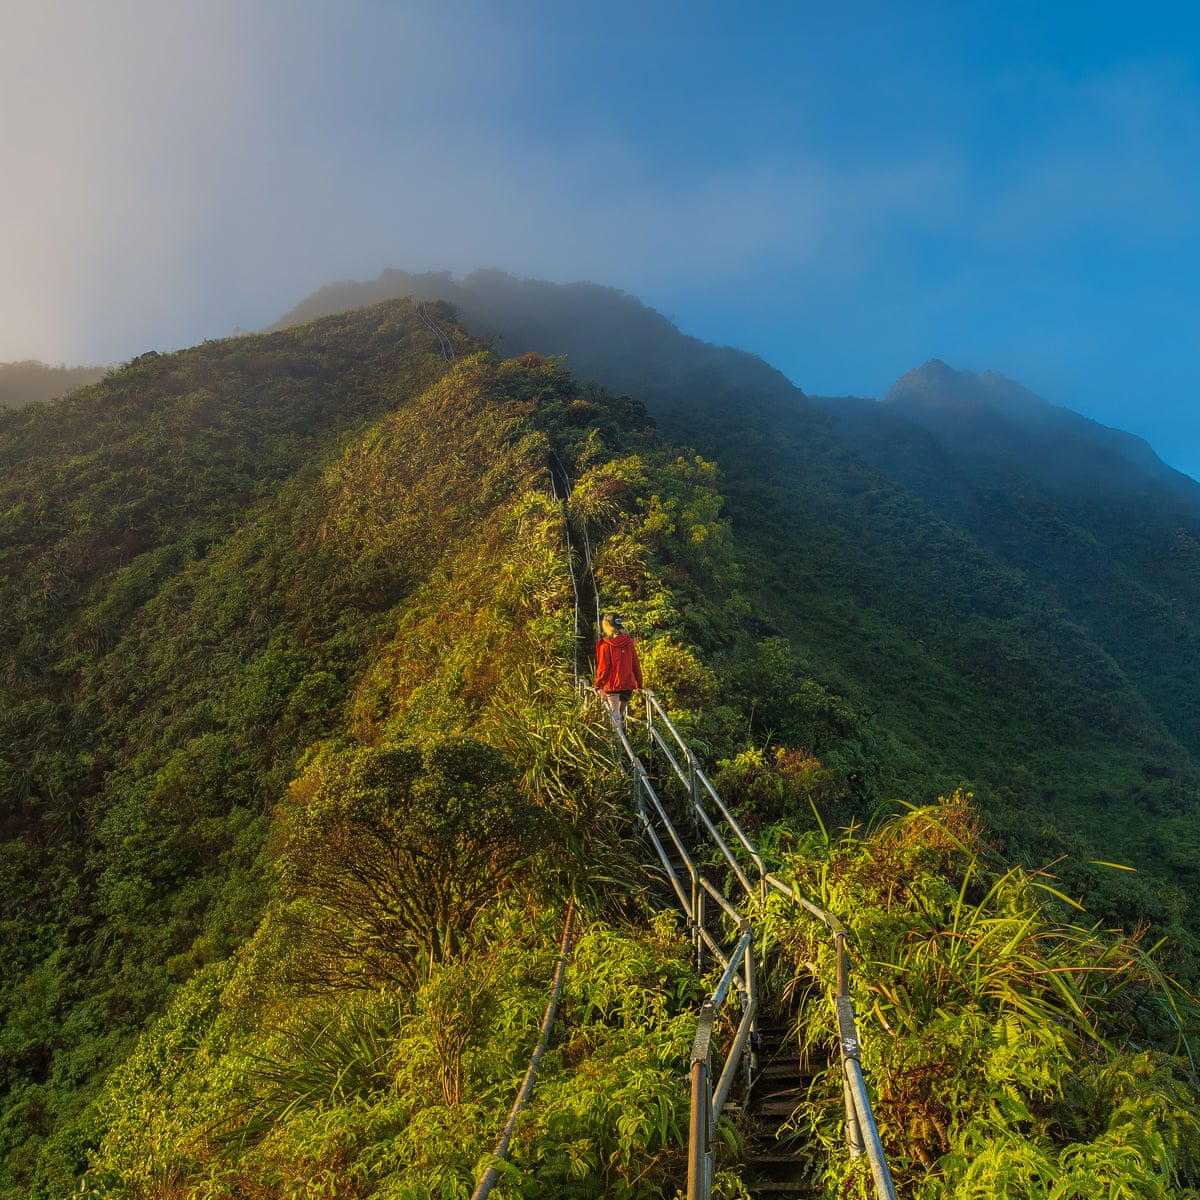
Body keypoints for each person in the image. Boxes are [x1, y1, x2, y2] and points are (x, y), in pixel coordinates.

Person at [594, 611, 642, 723]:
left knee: (614, 715)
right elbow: (635, 663)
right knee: (620, 714)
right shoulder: (629, 641)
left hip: (612, 685)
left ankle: (618, 739)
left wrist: (598, 685)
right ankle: (622, 736)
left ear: (606, 625)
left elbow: (603, 667)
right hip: (628, 684)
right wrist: (639, 683)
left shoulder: (605, 645)